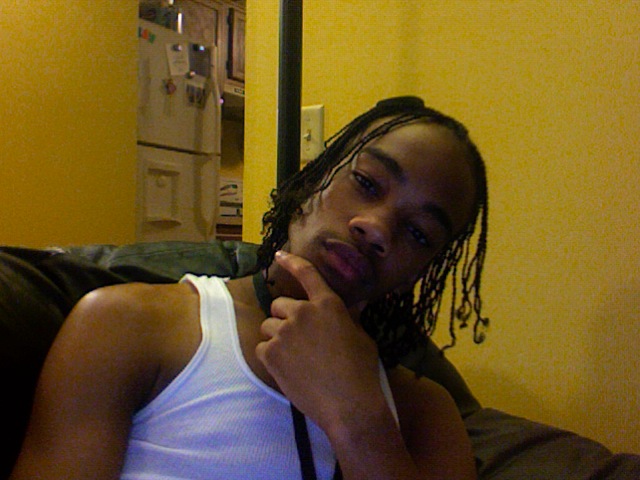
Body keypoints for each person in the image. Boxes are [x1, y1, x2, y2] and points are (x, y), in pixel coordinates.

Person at [10, 96, 489, 480]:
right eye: (365, 182)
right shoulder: (125, 324)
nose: (377, 227)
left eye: (419, 233)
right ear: (314, 178)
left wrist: (359, 420)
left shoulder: (425, 415)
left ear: (418, 273)